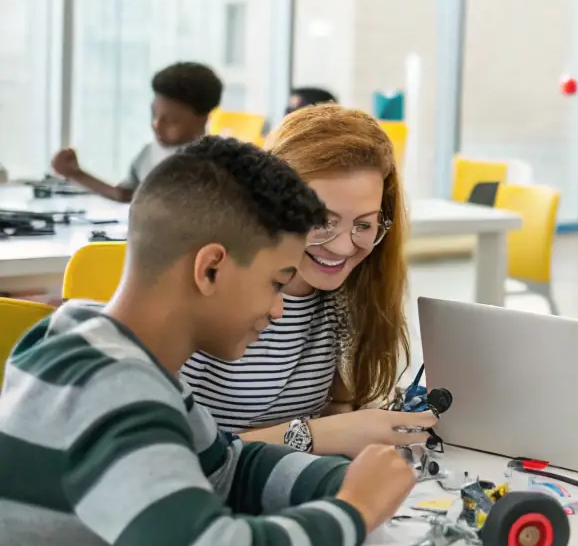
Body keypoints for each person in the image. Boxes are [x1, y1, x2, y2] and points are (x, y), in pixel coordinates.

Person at [0, 136, 416, 546]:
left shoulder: (91, 343)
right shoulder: (114, 394)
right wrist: (354, 511)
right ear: (212, 267)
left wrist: (344, 478)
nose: (279, 310)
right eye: (277, 282)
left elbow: (230, 465)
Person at [181, 104, 430, 455]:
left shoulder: (346, 297)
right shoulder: (207, 293)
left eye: (363, 225)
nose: (344, 246)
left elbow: (337, 414)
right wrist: (315, 435)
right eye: (321, 221)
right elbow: (170, 453)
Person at [51, 61, 223, 203]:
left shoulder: (211, 163)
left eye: (171, 120)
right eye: (154, 114)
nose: (156, 125)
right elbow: (126, 194)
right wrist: (75, 173)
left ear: (203, 118)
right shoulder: (149, 154)